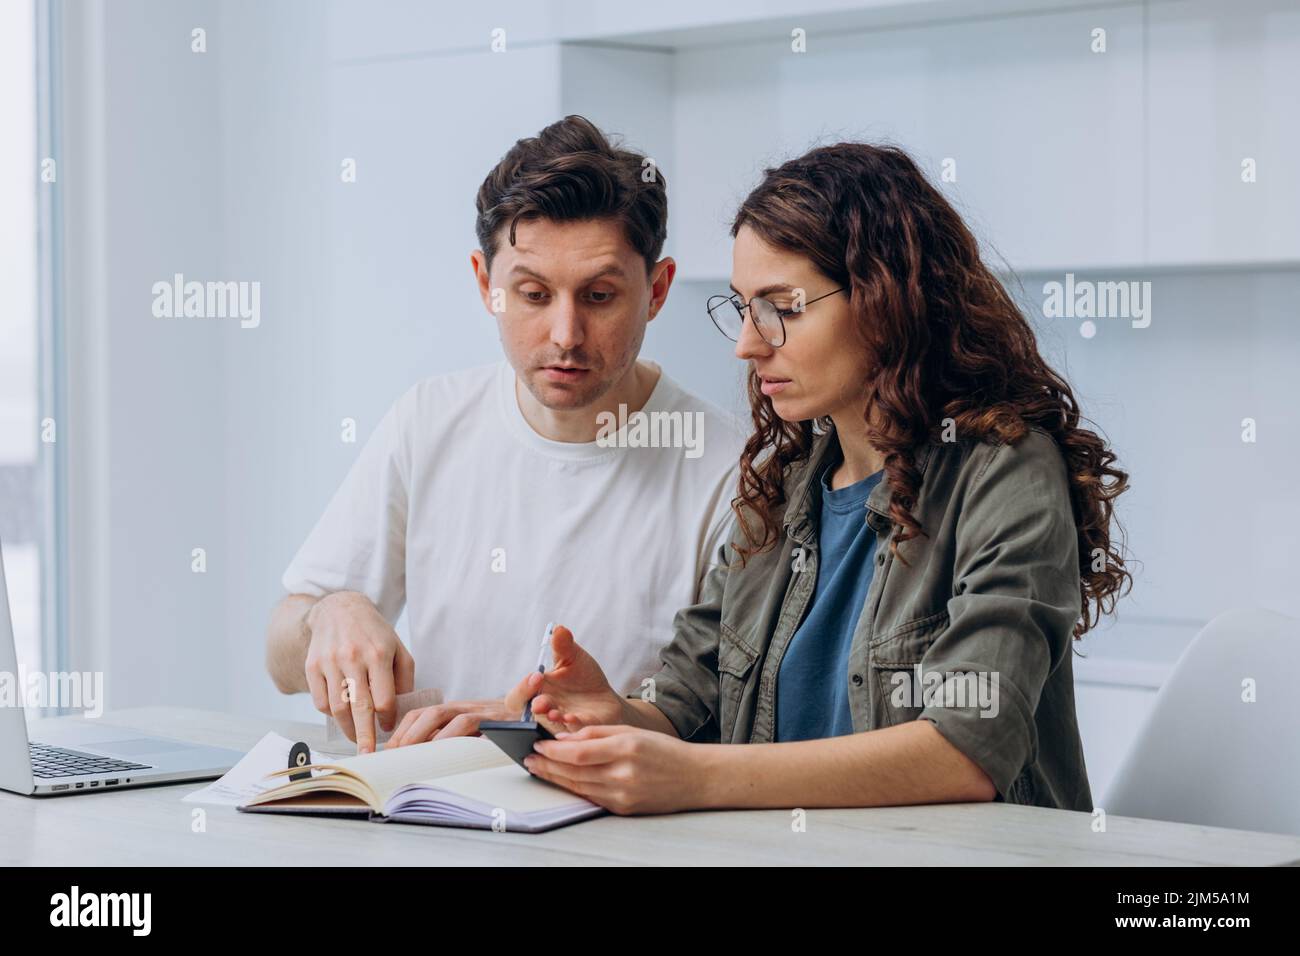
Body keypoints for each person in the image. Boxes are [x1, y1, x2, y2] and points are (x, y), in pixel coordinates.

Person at [461, 142, 1133, 813]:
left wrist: (696, 778)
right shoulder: (775, 490)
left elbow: (965, 749)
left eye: (783, 306)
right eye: (745, 307)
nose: (749, 344)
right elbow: (689, 708)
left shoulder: (1004, 474)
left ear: (886, 299)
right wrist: (610, 715)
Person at [264, 115, 744, 753]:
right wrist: (328, 614)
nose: (566, 335)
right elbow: (279, 656)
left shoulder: (731, 465)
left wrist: (527, 729)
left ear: (656, 292)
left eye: (599, 296)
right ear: (485, 285)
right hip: (429, 822)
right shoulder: (427, 421)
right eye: (533, 294)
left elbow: (722, 711)